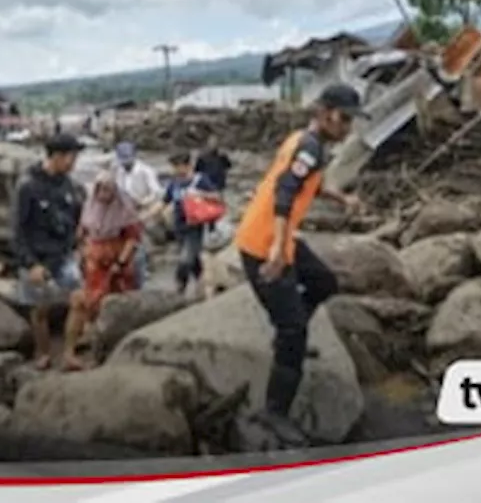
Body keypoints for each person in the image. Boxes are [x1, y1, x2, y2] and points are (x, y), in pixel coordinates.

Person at [233, 83, 367, 445]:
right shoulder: (308, 146)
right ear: (324, 113)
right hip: (263, 245)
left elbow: (308, 184)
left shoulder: (309, 144)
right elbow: (285, 193)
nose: (347, 128)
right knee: (294, 330)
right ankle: (274, 411)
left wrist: (341, 198)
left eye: (352, 121)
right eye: (344, 119)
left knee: (324, 282)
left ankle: (288, 335)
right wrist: (278, 247)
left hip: (279, 238)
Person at [12, 132, 86, 369]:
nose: (74, 163)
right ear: (56, 156)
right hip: (37, 257)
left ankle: (69, 354)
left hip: (62, 255)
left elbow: (74, 216)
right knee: (40, 310)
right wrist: (30, 262)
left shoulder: (67, 184)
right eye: (71, 157)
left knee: (80, 301)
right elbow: (18, 230)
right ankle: (43, 353)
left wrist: (79, 241)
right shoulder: (28, 186)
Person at [62, 172, 142, 370]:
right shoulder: (89, 207)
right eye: (100, 189)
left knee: (114, 305)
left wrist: (120, 262)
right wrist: (81, 252)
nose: (104, 194)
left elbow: (132, 239)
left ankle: (106, 349)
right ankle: (78, 348)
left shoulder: (124, 209)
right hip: (93, 263)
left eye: (108, 189)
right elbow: (82, 232)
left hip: (117, 264)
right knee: (89, 302)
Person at [163, 151, 220, 297]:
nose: (175, 170)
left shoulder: (200, 180)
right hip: (179, 226)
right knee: (193, 260)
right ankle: (203, 286)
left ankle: (178, 289)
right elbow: (165, 201)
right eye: (173, 166)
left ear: (188, 165)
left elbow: (217, 197)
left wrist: (200, 194)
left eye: (178, 166)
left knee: (185, 259)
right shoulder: (174, 183)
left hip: (195, 226)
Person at [112, 141, 164, 288]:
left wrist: (143, 202)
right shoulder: (118, 171)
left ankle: (144, 269)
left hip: (143, 209)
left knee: (139, 239)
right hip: (125, 211)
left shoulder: (146, 171)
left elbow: (157, 192)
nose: (125, 164)